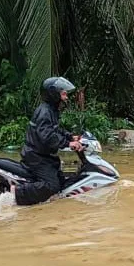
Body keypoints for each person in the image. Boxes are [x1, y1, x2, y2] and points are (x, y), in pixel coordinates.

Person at [13, 77, 82, 206]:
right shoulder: (45, 112)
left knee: (63, 182)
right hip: (36, 157)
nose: (66, 97)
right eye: (64, 94)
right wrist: (68, 144)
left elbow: (55, 129)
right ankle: (17, 193)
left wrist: (70, 137)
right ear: (53, 93)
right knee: (52, 186)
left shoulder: (51, 110)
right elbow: (48, 137)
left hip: (45, 156)